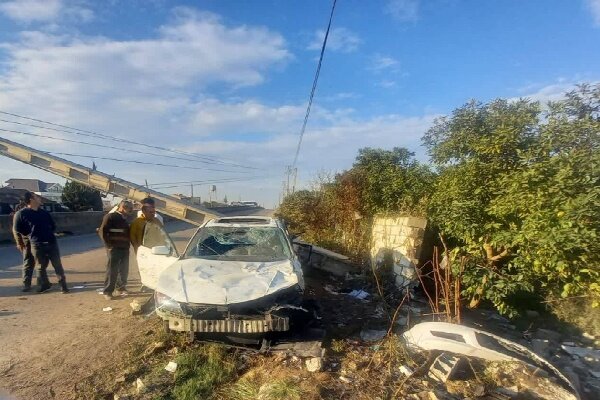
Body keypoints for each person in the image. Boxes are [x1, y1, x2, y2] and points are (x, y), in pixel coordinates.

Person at [13, 192, 69, 293]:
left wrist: (47, 233)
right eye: (36, 197)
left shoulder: (44, 213)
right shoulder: (21, 214)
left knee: (54, 264)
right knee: (34, 264)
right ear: (31, 199)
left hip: (49, 241)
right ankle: (32, 284)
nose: (39, 198)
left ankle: (58, 285)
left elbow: (52, 225)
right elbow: (17, 229)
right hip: (33, 243)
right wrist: (24, 239)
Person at [99, 200, 133, 300]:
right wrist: (108, 246)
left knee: (123, 270)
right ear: (122, 208)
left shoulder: (124, 219)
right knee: (112, 270)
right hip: (114, 248)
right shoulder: (111, 217)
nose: (131, 211)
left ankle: (121, 288)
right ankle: (108, 291)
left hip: (124, 248)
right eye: (130, 209)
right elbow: (102, 232)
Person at [12, 201, 36, 292]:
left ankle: (42, 281)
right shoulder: (19, 216)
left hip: (35, 240)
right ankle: (26, 283)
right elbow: (16, 231)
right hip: (27, 242)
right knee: (28, 262)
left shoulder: (30, 214)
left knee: (40, 262)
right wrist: (19, 243)